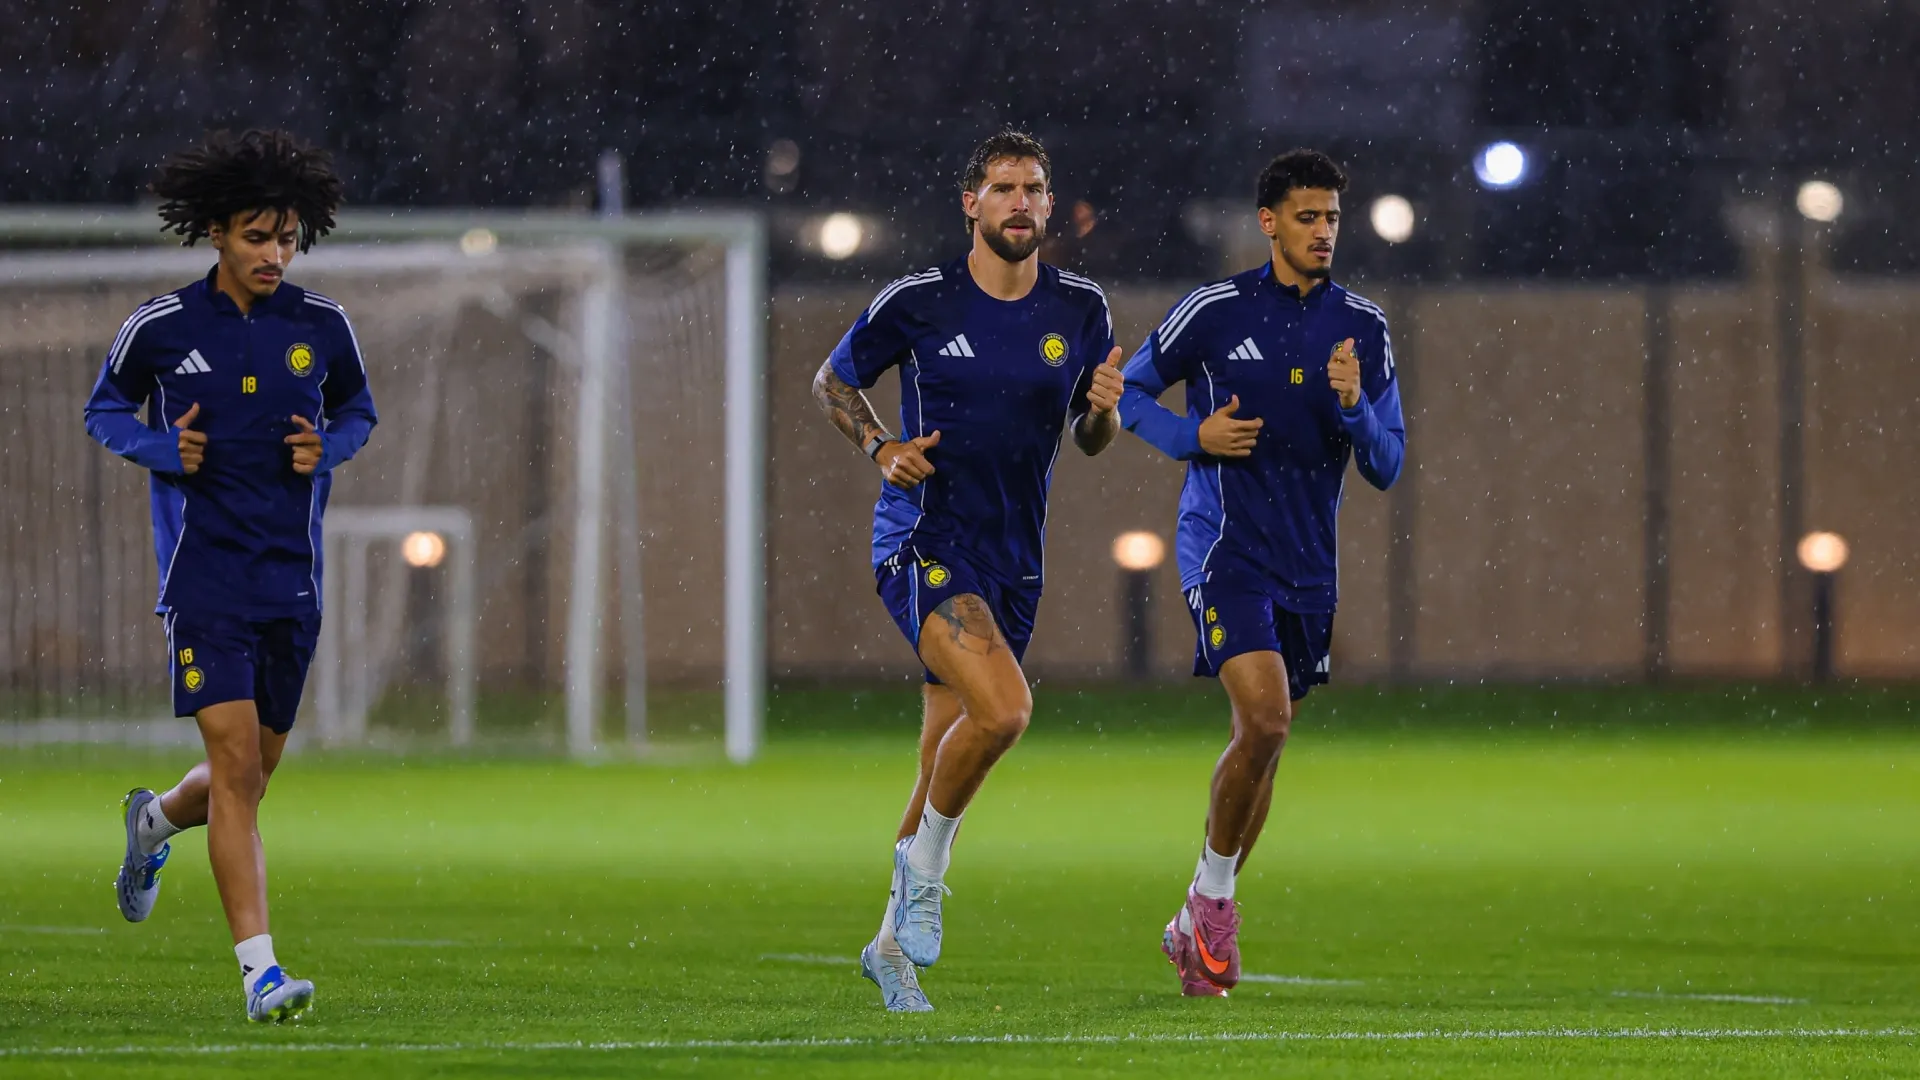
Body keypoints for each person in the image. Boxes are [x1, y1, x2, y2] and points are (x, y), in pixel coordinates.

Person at [811, 129, 1124, 1012]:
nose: (1020, 203)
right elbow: (831, 382)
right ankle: (925, 877)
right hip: (924, 541)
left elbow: (1090, 441)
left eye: (1034, 189)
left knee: (941, 760)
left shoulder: (1083, 310)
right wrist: (881, 445)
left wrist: (1102, 412)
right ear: (971, 204)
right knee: (1008, 709)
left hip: (1014, 559)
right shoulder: (919, 299)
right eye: (1003, 189)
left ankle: (886, 951)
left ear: (1048, 206)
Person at [83, 129, 377, 1023]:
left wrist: (331, 447)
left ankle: (156, 821)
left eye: (286, 238)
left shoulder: (320, 327)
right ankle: (261, 973)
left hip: (293, 584)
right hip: (205, 580)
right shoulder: (164, 328)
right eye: (257, 237)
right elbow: (104, 408)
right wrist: (158, 448)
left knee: (252, 773)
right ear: (216, 233)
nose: (274, 256)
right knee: (240, 767)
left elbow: (359, 410)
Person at [1117, 148, 1405, 997]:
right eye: (1308, 217)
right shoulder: (1213, 311)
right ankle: (1213, 909)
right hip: (1224, 550)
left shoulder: (1364, 326)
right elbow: (1129, 395)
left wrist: (1354, 408)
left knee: (1264, 747)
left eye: (1334, 219)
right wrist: (1189, 439)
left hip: (1309, 565)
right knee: (1269, 721)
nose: (1324, 233)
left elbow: (1388, 465)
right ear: (1269, 221)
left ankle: (1200, 910)